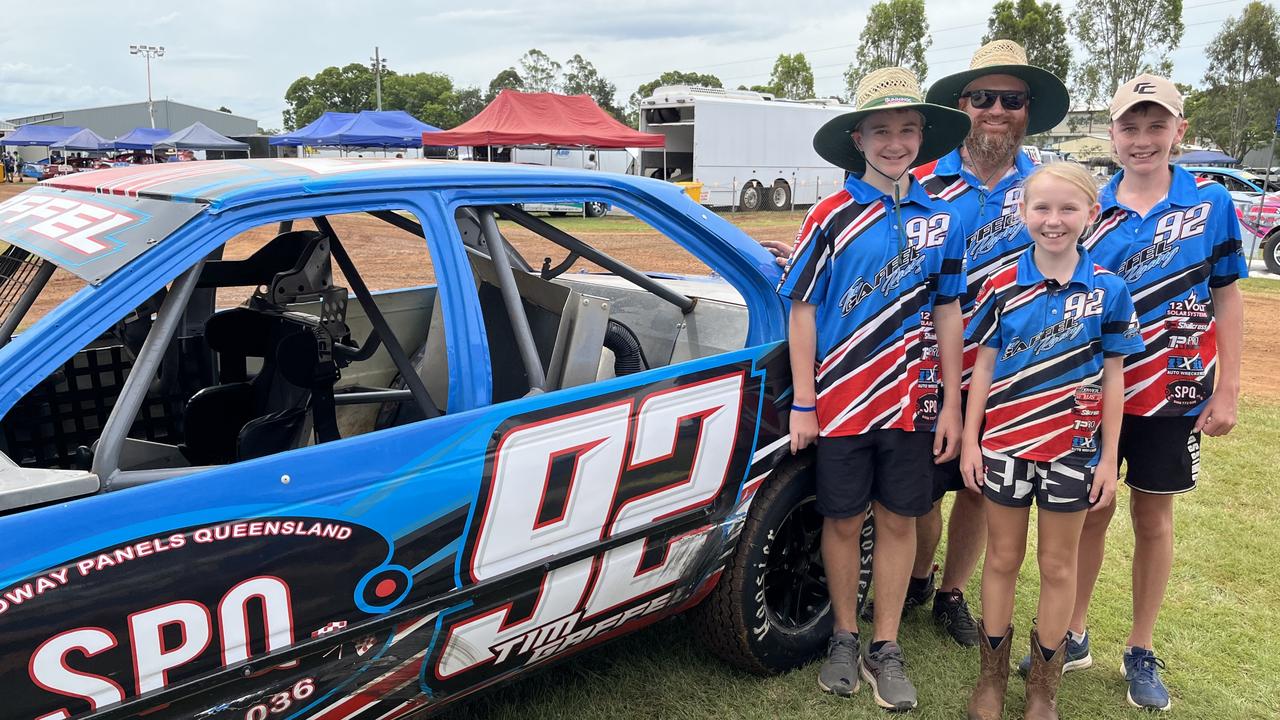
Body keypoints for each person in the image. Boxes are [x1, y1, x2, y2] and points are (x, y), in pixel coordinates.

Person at [778, 66, 970, 711]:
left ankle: (884, 644)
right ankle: (843, 633)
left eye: (908, 129)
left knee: (899, 519)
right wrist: (804, 401)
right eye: (882, 129)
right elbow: (801, 308)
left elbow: (949, 310)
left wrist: (951, 399)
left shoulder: (940, 218)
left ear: (922, 137)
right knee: (840, 518)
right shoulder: (830, 215)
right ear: (858, 138)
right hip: (840, 400)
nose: (896, 141)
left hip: (913, 400)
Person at [1060, 74, 1246, 712]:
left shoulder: (1211, 202)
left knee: (1152, 517)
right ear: (1111, 135)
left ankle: (1140, 648)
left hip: (1178, 392)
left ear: (1179, 131)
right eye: (1130, 127)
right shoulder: (1091, 207)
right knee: (1090, 511)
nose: (1143, 139)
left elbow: (1227, 295)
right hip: (1097, 394)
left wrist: (1230, 392)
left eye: (1156, 125)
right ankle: (1072, 633)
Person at [961, 161, 1143, 720]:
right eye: (1042, 208)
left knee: (1058, 565)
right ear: (1022, 214)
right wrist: (971, 441)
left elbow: (1115, 379)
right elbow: (983, 370)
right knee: (1002, 558)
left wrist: (1110, 457)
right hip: (1007, 447)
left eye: (1069, 209)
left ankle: (1044, 685)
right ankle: (991, 680)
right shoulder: (998, 286)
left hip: (1075, 452)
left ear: (1092, 215)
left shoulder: (1110, 291)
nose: (1054, 220)